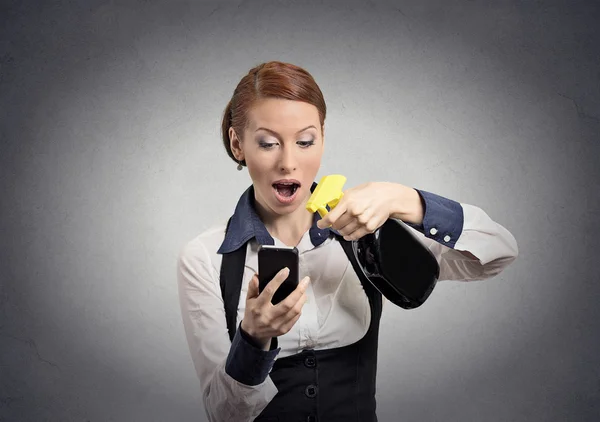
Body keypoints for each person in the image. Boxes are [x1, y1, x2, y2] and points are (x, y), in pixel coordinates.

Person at [177, 61, 518, 422]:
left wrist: (403, 198)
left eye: (305, 141)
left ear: (322, 138)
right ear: (237, 144)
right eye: (268, 143)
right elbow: (223, 414)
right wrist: (252, 339)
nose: (288, 162)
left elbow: (498, 253)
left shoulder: (366, 230)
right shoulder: (205, 257)